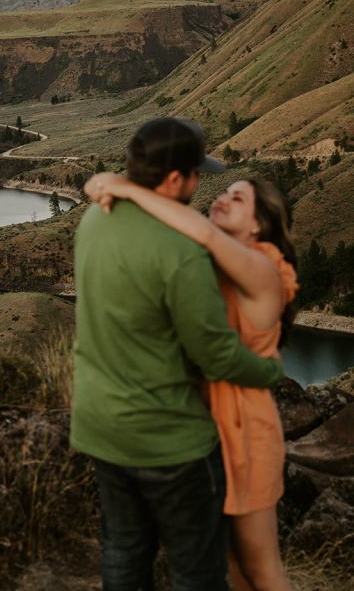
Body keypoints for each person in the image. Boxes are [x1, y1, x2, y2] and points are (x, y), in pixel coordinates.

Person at [71, 118, 285, 591]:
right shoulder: (180, 251)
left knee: (123, 552)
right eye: (194, 174)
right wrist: (270, 371)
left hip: (100, 426)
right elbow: (217, 356)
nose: (200, 184)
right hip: (167, 436)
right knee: (196, 571)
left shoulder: (94, 218)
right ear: (174, 180)